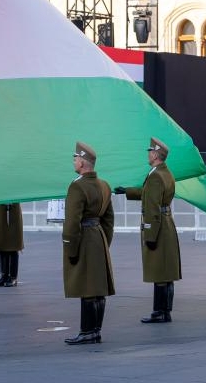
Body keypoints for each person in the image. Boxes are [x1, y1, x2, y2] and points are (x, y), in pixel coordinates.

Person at [113, 137, 181, 323]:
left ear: (155, 154)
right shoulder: (165, 173)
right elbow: (148, 193)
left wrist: (149, 234)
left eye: (149, 151)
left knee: (159, 270)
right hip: (166, 223)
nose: (148, 154)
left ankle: (159, 312)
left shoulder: (156, 176)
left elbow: (151, 206)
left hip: (157, 225)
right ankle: (165, 310)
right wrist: (127, 191)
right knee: (166, 271)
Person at [62, 141, 114, 345]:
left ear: (83, 163)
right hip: (98, 236)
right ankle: (95, 330)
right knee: (98, 287)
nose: (74, 161)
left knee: (86, 287)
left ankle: (86, 331)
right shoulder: (104, 185)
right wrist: (104, 240)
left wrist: (70, 247)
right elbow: (109, 219)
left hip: (83, 238)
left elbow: (72, 222)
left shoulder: (77, 186)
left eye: (76, 158)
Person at [0, 202, 23, 287]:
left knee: (12, 244)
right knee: (0, 241)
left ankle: (13, 277)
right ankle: (4, 275)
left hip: (11, 207)